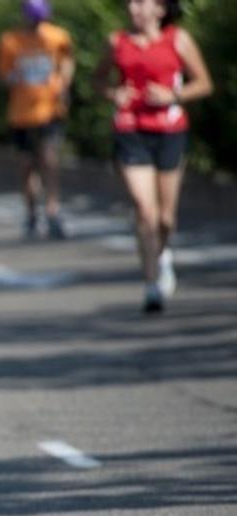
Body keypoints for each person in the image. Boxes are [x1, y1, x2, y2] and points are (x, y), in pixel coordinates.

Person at [94, 0, 211, 314]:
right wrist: (113, 94)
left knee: (165, 218)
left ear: (160, 9)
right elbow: (98, 80)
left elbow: (204, 83)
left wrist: (172, 95)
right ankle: (151, 285)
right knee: (145, 211)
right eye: (131, 3)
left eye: (141, 2)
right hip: (130, 130)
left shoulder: (178, 40)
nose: (133, 8)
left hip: (169, 131)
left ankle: (162, 256)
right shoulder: (117, 42)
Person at [0, 0, 74, 240]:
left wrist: (63, 83)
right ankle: (31, 213)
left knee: (49, 158)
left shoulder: (58, 37)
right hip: (21, 114)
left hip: (50, 110)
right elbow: (3, 76)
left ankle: (53, 210)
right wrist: (16, 75)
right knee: (27, 165)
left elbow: (67, 61)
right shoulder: (10, 41)